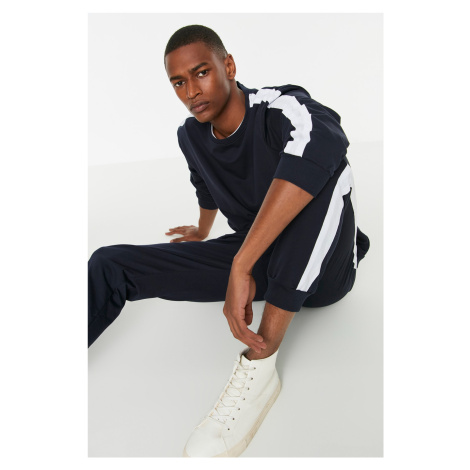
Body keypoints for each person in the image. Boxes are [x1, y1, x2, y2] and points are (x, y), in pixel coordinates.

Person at [88, 24, 370, 457]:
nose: (190, 91)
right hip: (260, 261)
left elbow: (325, 139)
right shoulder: (190, 135)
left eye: (200, 73)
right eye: (178, 82)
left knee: (327, 168)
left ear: (229, 66)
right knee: (109, 262)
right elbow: (204, 183)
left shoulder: (278, 108)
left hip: (326, 271)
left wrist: (241, 265)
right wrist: (202, 231)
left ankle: (260, 365)